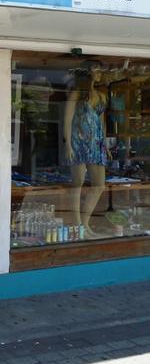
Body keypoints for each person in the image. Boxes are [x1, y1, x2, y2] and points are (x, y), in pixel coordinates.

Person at [63, 68, 108, 237]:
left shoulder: (102, 96)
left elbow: (102, 122)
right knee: (78, 183)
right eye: (96, 70)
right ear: (88, 73)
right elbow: (67, 121)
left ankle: (85, 224)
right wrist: (68, 144)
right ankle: (77, 227)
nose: (100, 73)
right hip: (78, 142)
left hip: (96, 144)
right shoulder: (77, 93)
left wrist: (105, 145)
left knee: (99, 185)